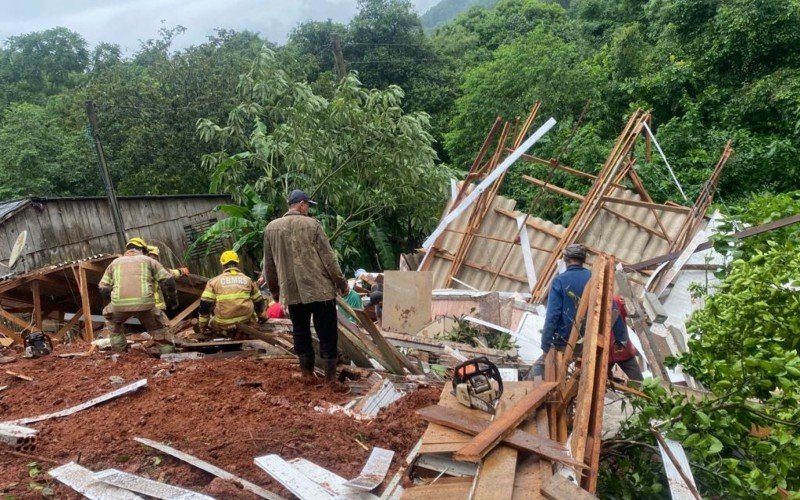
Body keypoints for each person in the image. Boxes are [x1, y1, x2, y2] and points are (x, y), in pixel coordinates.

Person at [263, 189, 349, 384]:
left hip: (292, 292)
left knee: (300, 331)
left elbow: (269, 265)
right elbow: (328, 259)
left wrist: (276, 292)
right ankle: (330, 379)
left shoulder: (271, 228)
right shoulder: (312, 225)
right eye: (308, 205)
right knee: (327, 332)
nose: (308, 209)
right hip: (320, 290)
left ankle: (307, 375)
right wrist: (341, 283)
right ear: (301, 204)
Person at [98, 237, 178, 352]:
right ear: (143, 250)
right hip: (145, 305)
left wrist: (113, 302)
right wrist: (173, 299)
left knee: (112, 323)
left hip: (119, 306)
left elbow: (103, 288)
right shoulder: (149, 261)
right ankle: (168, 355)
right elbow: (169, 282)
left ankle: (120, 353)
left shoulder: (114, 263)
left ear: (128, 249)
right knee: (158, 329)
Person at [198, 250, 265, 335]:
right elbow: (259, 301)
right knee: (252, 317)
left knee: (211, 323)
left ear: (222, 265)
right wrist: (261, 317)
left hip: (224, 324)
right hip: (246, 321)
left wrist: (202, 326)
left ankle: (224, 332)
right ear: (237, 263)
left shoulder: (213, 282)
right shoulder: (248, 280)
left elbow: (205, 306)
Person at [146, 245, 190, 324]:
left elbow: (168, 271)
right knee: (164, 327)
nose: (154, 258)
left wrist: (181, 271)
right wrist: (181, 271)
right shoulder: (152, 265)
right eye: (153, 256)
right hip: (154, 305)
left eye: (155, 257)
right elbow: (168, 275)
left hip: (136, 306)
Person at [608, 296, 644, 382]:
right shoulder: (592, 309)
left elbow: (641, 305)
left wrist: (630, 301)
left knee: (639, 383)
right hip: (605, 355)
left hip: (625, 352)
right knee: (600, 383)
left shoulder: (617, 302)